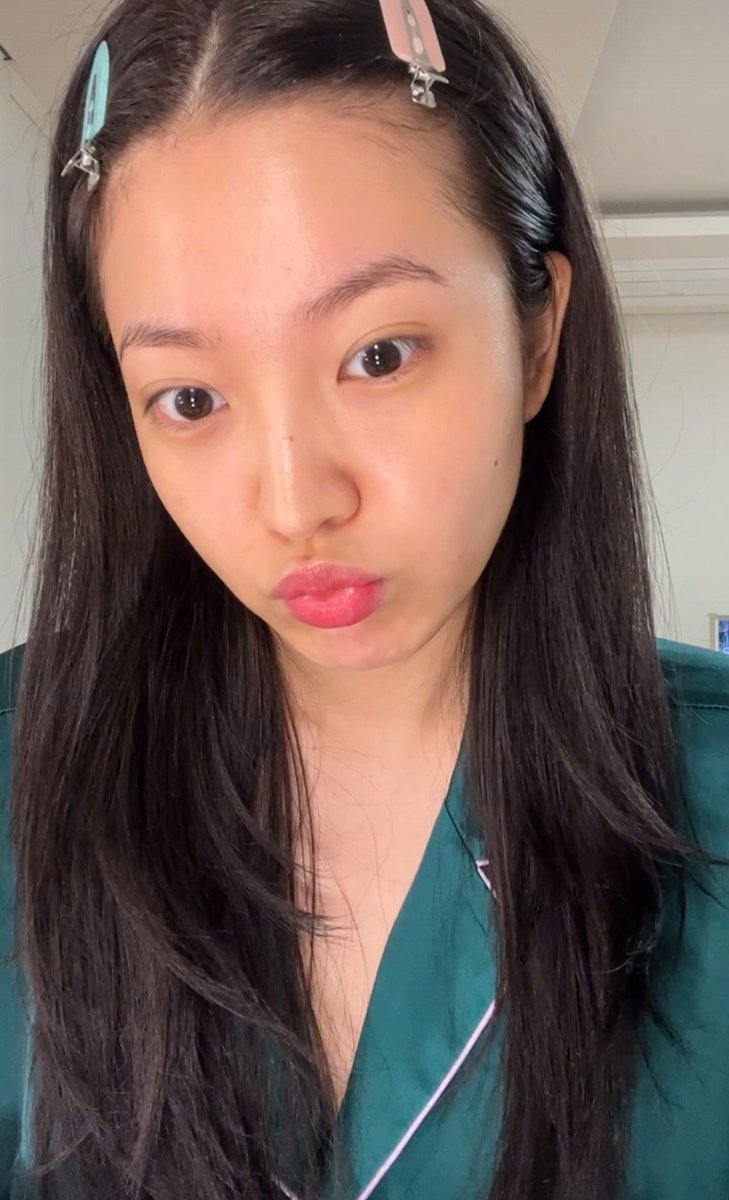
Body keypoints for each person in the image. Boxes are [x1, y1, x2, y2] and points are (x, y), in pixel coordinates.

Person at [0, 0, 728, 1196]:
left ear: (538, 336)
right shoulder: (21, 768)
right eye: (190, 399)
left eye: (378, 355)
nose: (296, 503)